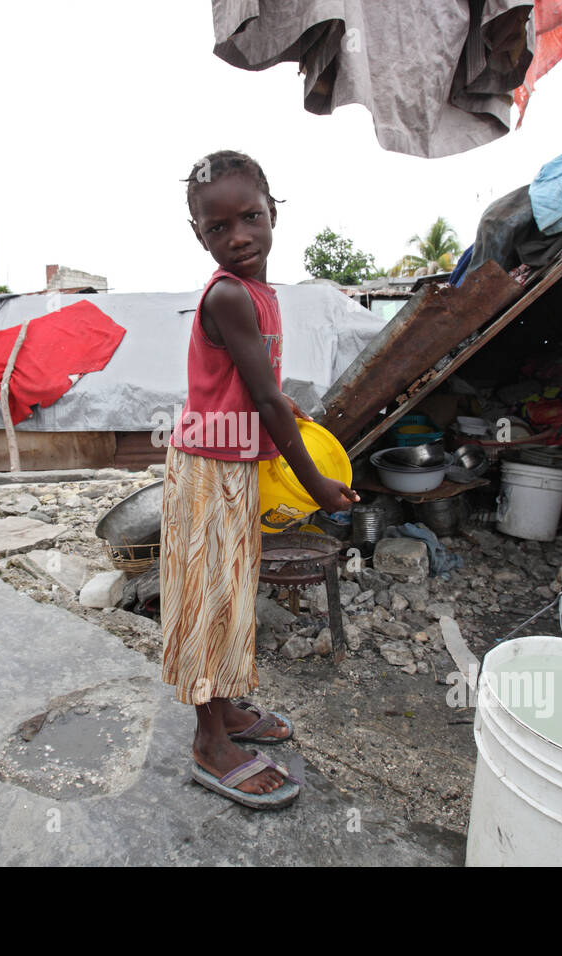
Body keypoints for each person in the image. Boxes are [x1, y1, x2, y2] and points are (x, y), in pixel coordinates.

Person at [161, 150, 358, 808]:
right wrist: (319, 488)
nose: (238, 236)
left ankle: (227, 710)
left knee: (229, 598)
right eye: (218, 229)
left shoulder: (259, 293)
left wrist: (283, 406)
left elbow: (260, 388)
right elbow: (267, 403)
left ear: (274, 212)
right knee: (208, 606)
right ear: (200, 236)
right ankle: (210, 743)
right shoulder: (227, 295)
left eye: (249, 217)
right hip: (209, 471)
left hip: (232, 465)